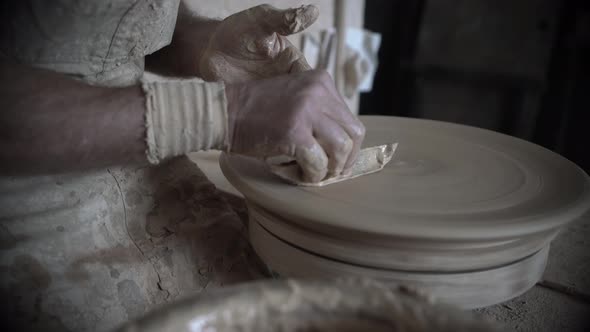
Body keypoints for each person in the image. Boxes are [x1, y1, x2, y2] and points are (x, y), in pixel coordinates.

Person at [0, 1, 365, 331]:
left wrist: (208, 43)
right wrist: (226, 114)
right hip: (26, 202)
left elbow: (104, 24)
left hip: (145, 165)